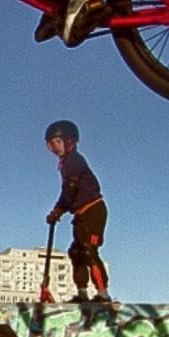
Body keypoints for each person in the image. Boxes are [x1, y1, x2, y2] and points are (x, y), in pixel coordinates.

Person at [45, 120, 111, 308]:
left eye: (58, 142)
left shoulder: (74, 160)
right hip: (81, 214)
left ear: (70, 141)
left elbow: (70, 190)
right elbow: (69, 193)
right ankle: (82, 293)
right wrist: (58, 211)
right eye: (52, 143)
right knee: (76, 252)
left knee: (89, 250)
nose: (55, 147)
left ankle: (103, 294)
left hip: (93, 211)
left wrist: (58, 210)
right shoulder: (65, 164)